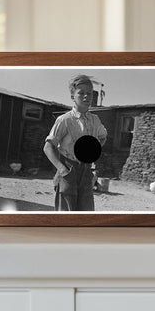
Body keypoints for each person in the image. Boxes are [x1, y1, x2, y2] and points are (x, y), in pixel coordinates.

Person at [43, 74, 107, 211]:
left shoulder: (95, 120)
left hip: (87, 170)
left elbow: (103, 136)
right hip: (68, 169)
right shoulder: (64, 120)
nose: (86, 96)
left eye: (89, 93)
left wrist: (93, 150)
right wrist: (61, 169)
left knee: (86, 213)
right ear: (73, 97)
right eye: (81, 93)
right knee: (66, 215)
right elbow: (48, 147)